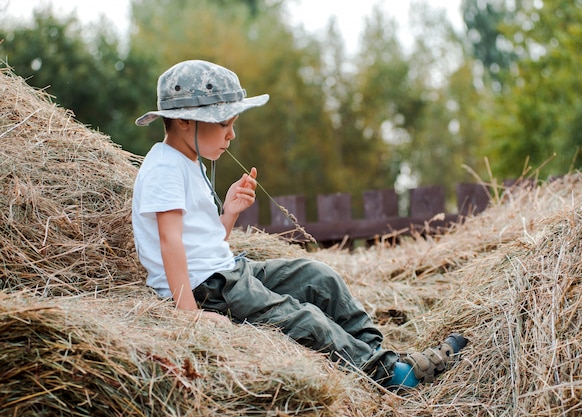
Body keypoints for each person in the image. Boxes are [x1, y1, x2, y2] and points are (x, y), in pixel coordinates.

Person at [131, 60, 466, 390]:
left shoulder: (190, 162)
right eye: (224, 124)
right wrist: (189, 314)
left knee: (320, 279)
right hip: (210, 291)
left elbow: (201, 242)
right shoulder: (165, 168)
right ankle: (395, 378)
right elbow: (170, 242)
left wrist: (229, 213)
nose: (232, 134)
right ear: (187, 121)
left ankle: (379, 356)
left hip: (229, 272)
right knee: (304, 318)